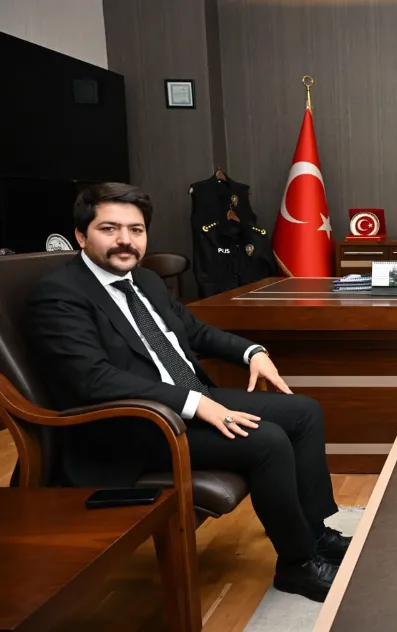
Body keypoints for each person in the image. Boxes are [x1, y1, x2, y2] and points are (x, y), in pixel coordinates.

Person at [27, 183, 349, 603]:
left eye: (136, 230)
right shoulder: (59, 295)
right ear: (81, 236)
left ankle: (315, 534)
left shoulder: (144, 280)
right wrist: (196, 403)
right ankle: (298, 565)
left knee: (303, 411)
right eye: (109, 228)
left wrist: (251, 351)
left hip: (185, 400)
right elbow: (94, 380)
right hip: (132, 425)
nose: (125, 240)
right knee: (267, 440)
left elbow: (194, 331)